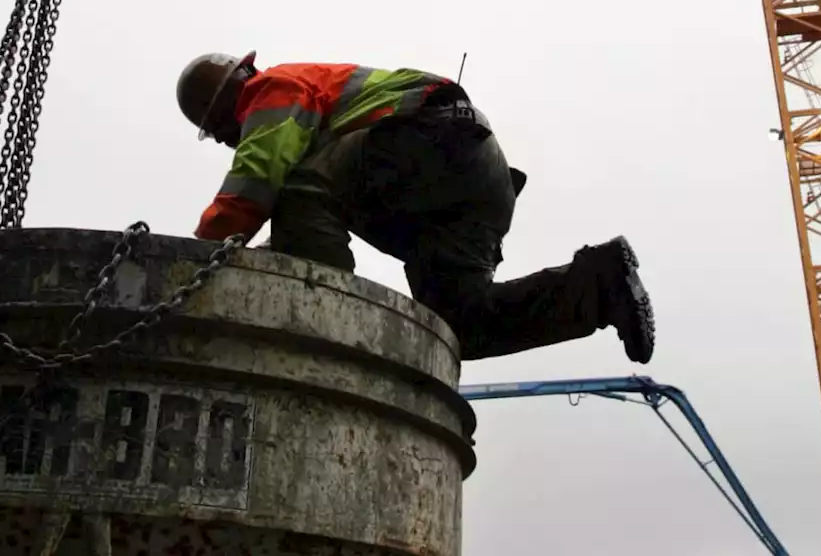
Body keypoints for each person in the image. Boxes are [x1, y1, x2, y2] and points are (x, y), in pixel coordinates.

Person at [176, 50, 655, 364]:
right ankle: (598, 284)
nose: (225, 140)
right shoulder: (325, 153)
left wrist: (189, 259)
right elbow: (303, 228)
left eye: (220, 131)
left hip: (429, 138)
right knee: (459, 328)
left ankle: (326, 316)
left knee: (292, 184)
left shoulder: (271, 91)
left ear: (223, 108)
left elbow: (257, 181)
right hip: (471, 185)